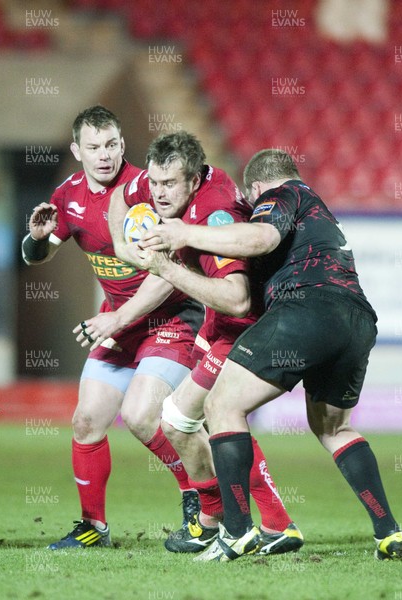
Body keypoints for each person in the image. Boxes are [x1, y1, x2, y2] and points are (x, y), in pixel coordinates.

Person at [140, 148, 402, 562]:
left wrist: (184, 233)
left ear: (257, 188)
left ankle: (237, 532)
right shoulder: (321, 215)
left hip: (306, 309)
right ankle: (388, 532)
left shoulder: (282, 193)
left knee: (221, 405)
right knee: (334, 428)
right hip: (357, 322)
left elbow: (262, 236)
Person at [109, 132, 303, 556]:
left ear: (194, 181)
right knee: (217, 420)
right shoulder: (164, 179)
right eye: (154, 184)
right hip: (214, 323)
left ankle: (218, 520)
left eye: (169, 186)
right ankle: (273, 523)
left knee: (177, 419)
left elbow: (237, 299)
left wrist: (162, 264)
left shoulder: (214, 214)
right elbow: (121, 197)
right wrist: (124, 248)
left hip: (241, 324)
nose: (158, 194)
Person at [22, 106, 203, 549]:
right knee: (86, 421)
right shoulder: (67, 195)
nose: (104, 156)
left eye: (111, 145)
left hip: (168, 318)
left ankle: (200, 495)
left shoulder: (147, 190)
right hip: (119, 323)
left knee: (141, 417)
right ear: (76, 150)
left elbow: (167, 271)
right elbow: (36, 257)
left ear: (123, 144)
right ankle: (93, 527)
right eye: (93, 147)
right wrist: (37, 239)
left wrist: (119, 318)